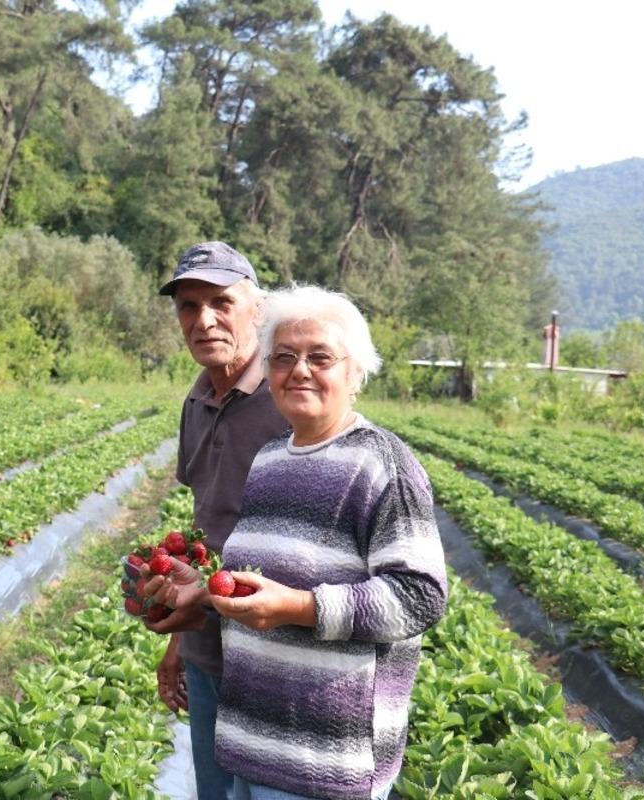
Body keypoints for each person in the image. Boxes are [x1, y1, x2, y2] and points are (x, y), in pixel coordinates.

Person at [147, 284, 448, 800]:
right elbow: (259, 589)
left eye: (320, 356)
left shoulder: (382, 465)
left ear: (356, 372)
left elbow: (419, 596)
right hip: (251, 742)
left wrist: (300, 607)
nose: (300, 369)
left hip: (326, 761)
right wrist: (203, 593)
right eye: (284, 356)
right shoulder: (269, 461)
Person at [152, 242, 290, 800]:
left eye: (220, 302)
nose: (203, 320)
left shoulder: (288, 399)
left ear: (257, 309)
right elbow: (204, 525)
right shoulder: (197, 399)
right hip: (210, 649)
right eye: (189, 306)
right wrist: (180, 642)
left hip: (276, 656)